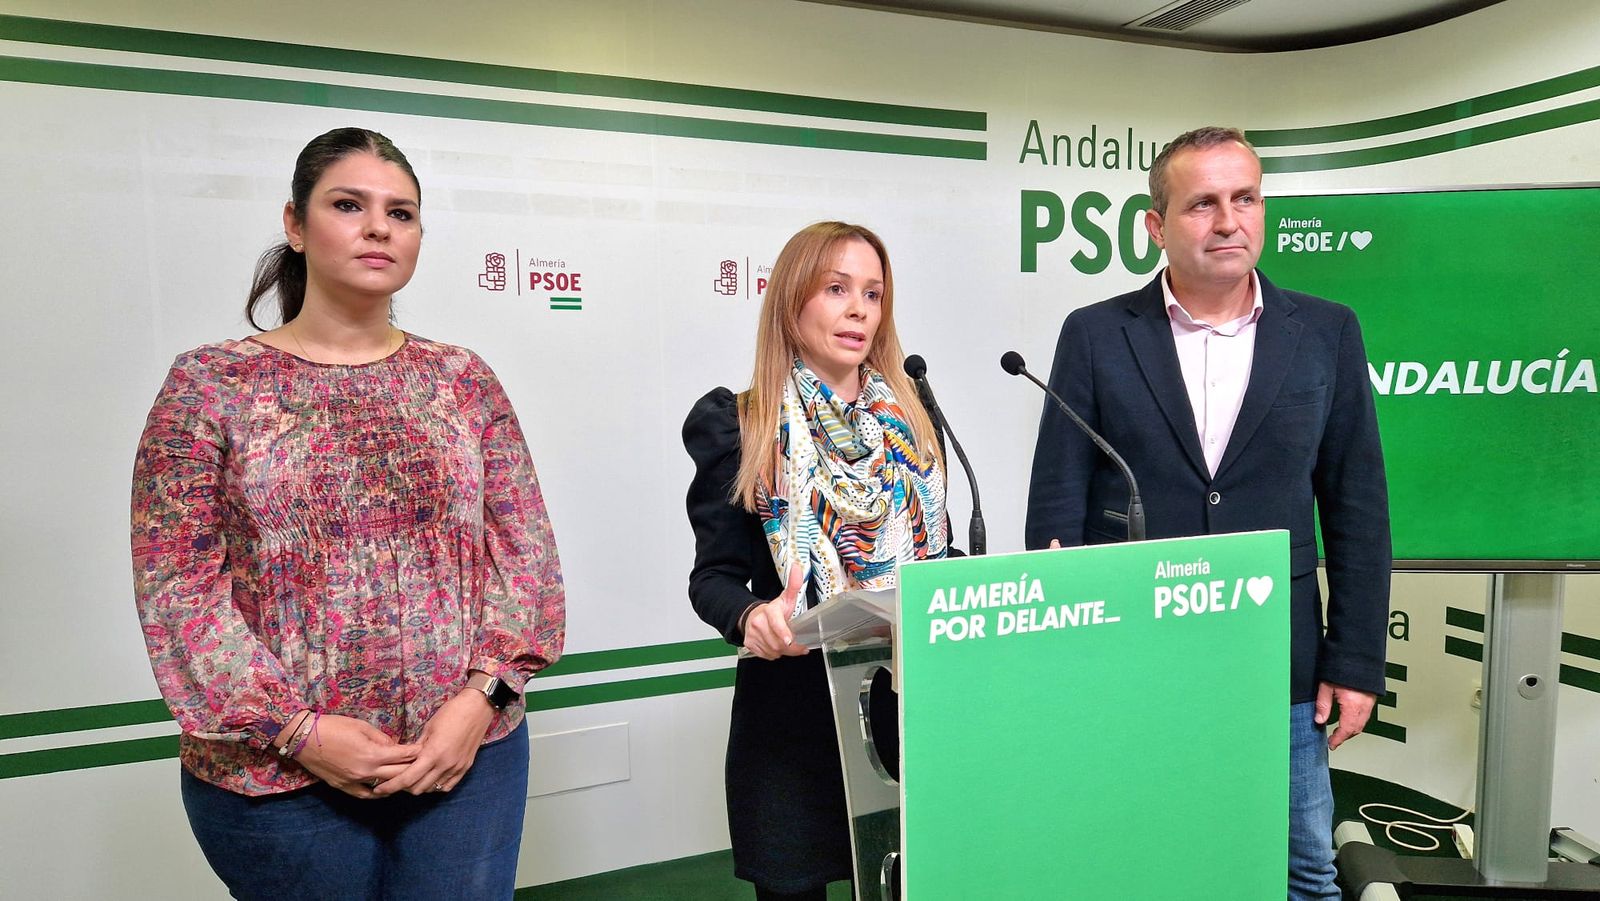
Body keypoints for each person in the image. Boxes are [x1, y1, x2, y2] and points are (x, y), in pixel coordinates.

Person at [130, 127, 564, 900]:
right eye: (348, 204)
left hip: (465, 755)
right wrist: (298, 730)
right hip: (276, 779)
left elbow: (524, 556)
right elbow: (179, 590)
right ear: (295, 224)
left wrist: (481, 697)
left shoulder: (463, 379)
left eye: (401, 213)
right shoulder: (211, 386)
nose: (377, 227)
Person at [1024, 126, 1390, 900]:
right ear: (1155, 226)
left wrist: (1355, 660)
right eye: (1203, 204)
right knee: (1140, 857)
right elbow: (1056, 503)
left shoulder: (1328, 331)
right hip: (1131, 658)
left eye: (1245, 198)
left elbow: (1356, 504)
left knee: (1301, 869)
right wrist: (1067, 656)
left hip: (1278, 662)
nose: (1229, 220)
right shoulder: (1095, 334)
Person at [683, 221, 949, 901]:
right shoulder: (739, 424)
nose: (860, 309)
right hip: (791, 725)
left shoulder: (915, 421)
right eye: (836, 289)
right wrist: (750, 616)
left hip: (906, 712)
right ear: (792, 301)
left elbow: (941, 563)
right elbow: (711, 578)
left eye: (872, 292)